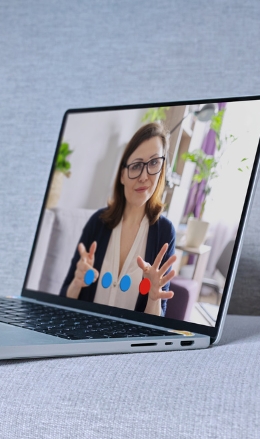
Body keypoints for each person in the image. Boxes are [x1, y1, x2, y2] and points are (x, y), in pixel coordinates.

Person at [60, 123, 178, 316]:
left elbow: (155, 329)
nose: (144, 176)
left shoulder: (164, 232)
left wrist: (154, 298)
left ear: (162, 169)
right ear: (122, 174)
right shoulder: (96, 223)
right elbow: (63, 301)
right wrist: (77, 283)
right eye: (136, 165)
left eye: (154, 163)